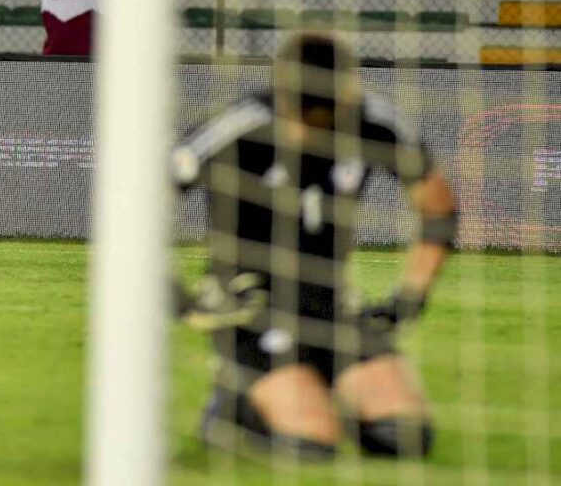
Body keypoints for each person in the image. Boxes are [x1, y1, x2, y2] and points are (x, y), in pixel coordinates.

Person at [171, 33, 456, 459]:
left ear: (347, 92)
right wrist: (177, 297)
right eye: (301, 113)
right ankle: (233, 404)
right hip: (252, 308)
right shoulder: (238, 125)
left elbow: (438, 210)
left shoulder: (376, 124)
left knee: (403, 438)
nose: (310, 127)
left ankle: (312, 387)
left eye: (324, 115)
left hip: (332, 306)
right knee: (311, 446)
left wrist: (408, 299)